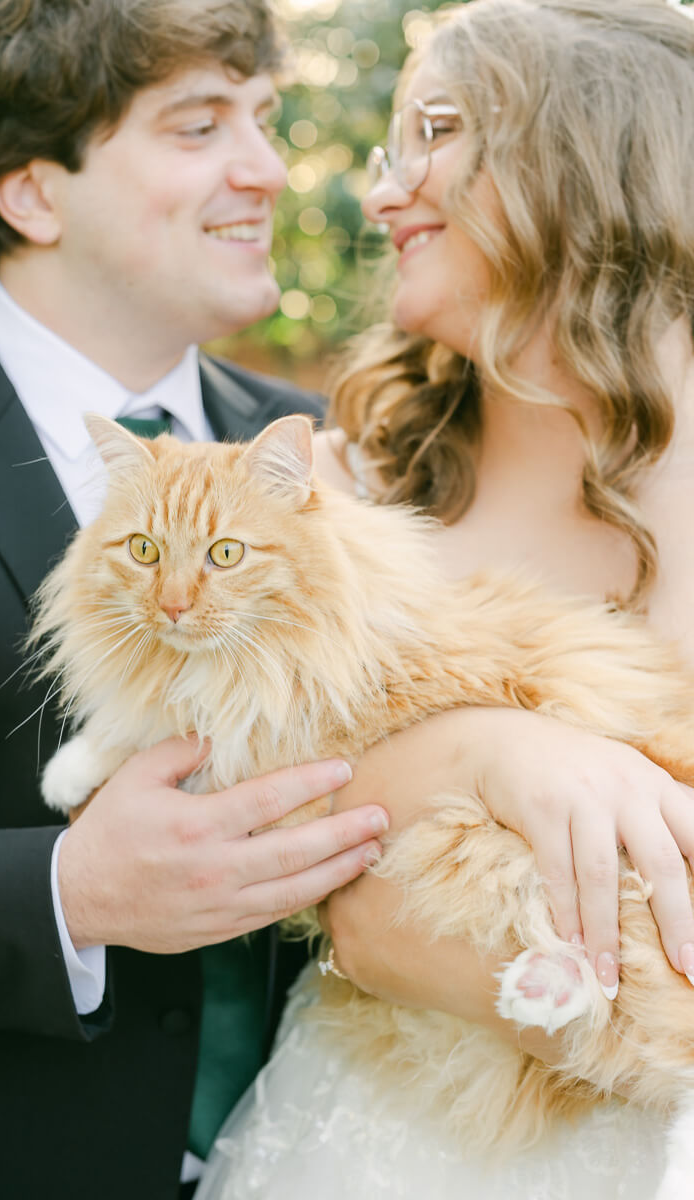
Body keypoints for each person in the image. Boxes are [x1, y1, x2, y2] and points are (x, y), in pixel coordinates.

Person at [194, 0, 694, 1195]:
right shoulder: (352, 479)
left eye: (434, 130)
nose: (381, 194)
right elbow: (243, 817)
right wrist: (470, 750)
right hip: (355, 1132)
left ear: (585, 154)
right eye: (388, 145)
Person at [0, 2, 391, 1197]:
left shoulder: (331, 454)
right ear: (32, 194)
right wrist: (66, 896)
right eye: (198, 125)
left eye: (264, 121)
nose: (267, 170)